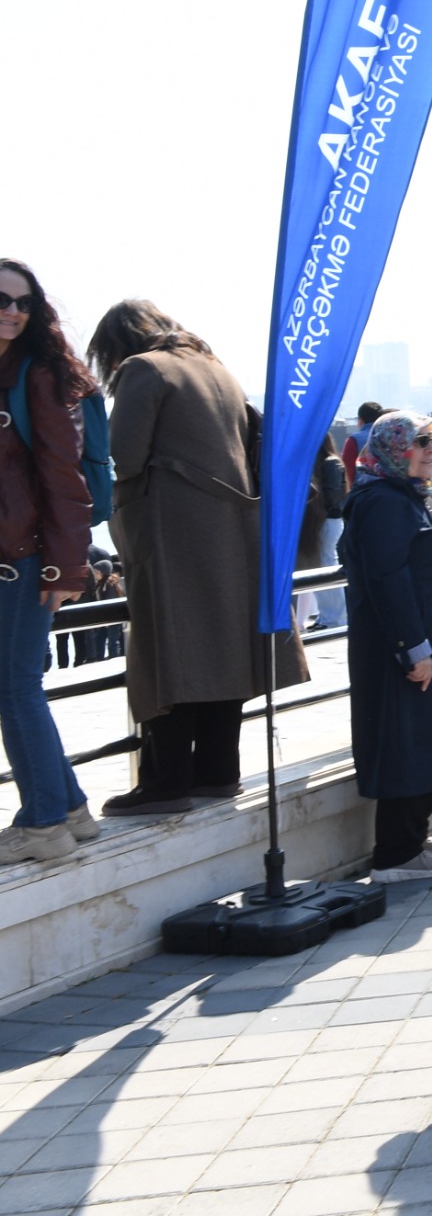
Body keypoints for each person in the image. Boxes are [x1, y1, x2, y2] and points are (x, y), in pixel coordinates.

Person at [87, 300, 300, 817]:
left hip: (170, 532)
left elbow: (124, 456)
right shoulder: (215, 369)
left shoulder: (144, 368)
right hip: (230, 529)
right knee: (223, 648)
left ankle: (168, 782)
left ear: (118, 344)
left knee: (167, 651)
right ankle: (218, 771)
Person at [335, 411, 432, 882]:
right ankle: (395, 854)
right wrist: (412, 648)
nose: (430, 450)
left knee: (428, 741)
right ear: (395, 448)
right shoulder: (381, 502)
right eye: (420, 442)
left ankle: (411, 837)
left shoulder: (400, 496)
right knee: (407, 746)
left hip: (423, 644)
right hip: (403, 652)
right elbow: (386, 579)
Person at [0, 259, 97, 861]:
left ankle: (42, 826)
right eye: (3, 300)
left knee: (16, 688)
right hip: (15, 554)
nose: (12, 311)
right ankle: (70, 809)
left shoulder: (37, 374)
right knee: (15, 686)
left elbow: (65, 477)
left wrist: (66, 567)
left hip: (28, 558)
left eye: (23, 303)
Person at [295, 439, 348, 632]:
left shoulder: (329, 462)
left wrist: (323, 509)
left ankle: (335, 617)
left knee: (326, 565)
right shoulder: (332, 461)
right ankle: (330, 615)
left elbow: (332, 495)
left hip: (327, 520)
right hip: (329, 519)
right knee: (325, 564)